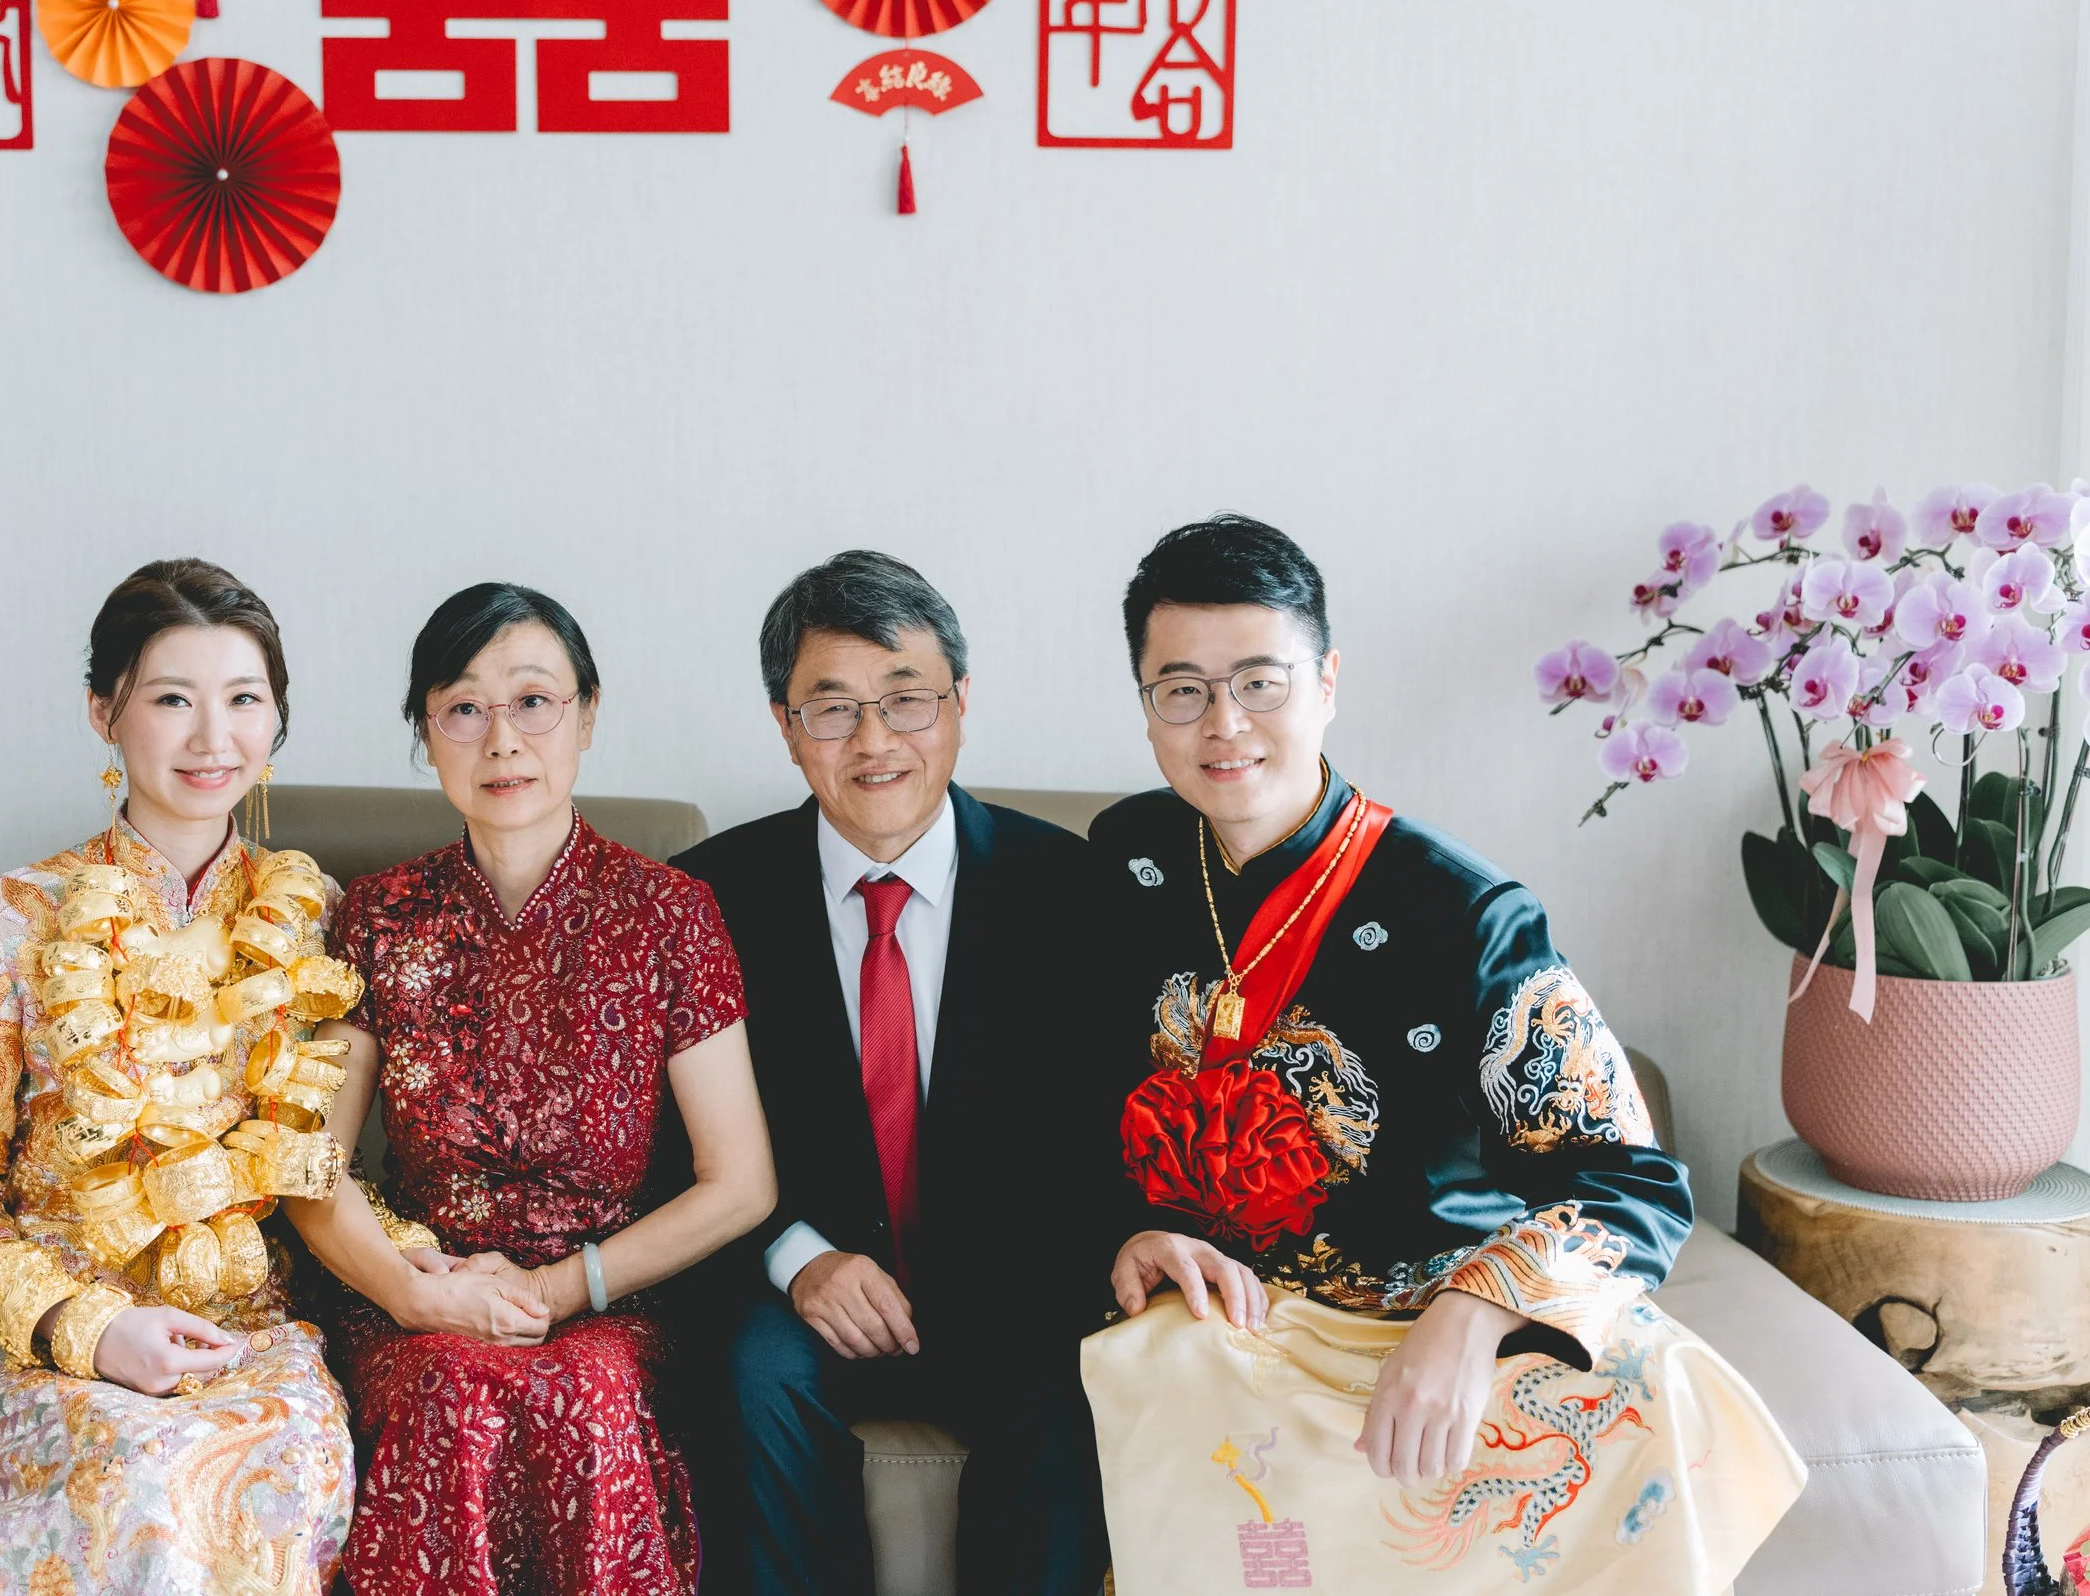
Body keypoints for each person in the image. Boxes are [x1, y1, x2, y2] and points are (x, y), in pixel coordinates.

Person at [1080, 514, 1805, 1592]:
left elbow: (1634, 1183)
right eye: (1180, 689)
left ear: (1327, 683)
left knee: (1665, 1390)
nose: (1224, 724)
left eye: (1260, 683)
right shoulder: (1126, 859)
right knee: (1147, 1365)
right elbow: (1063, 1105)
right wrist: (1128, 1229)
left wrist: (1475, 1312)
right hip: (1234, 1324)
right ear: (1146, 707)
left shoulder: (1463, 914)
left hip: (1439, 1315)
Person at [674, 551, 1186, 1596]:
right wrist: (798, 1258)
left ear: (959, 705)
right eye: (832, 709)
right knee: (749, 1371)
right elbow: (663, 1148)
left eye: (906, 699)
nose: (873, 741)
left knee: (1065, 1380)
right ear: (785, 727)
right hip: (802, 1291)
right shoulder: (705, 902)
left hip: (1013, 1287)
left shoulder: (1073, 891)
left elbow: (1114, 1132)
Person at [284, 582, 778, 1596]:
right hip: (423, 1296)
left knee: (586, 1391)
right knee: (450, 1390)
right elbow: (309, 1165)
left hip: (609, 1298)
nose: (502, 739)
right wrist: (418, 1296)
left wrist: (555, 1293)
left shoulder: (671, 914)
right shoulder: (377, 916)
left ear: (587, 716)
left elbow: (740, 1183)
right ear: (427, 733)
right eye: (464, 707)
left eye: (534, 701)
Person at [0, 558, 366, 1596]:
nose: (213, 738)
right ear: (103, 712)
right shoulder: (8, 918)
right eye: (172, 700)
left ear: (277, 721)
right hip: (46, 1343)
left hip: (247, 1337)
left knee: (268, 1473)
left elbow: (328, 1158)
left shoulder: (316, 919)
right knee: (140, 1478)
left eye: (244, 700)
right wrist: (93, 1329)